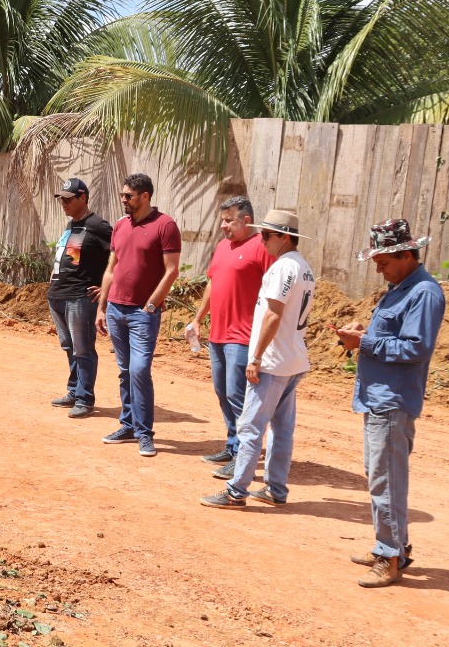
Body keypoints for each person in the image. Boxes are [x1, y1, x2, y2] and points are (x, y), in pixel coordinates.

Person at [333, 219, 447, 588]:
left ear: (406, 254)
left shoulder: (423, 293)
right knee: (380, 476)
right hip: (379, 397)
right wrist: (364, 335)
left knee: (387, 480)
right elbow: (395, 337)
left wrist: (364, 344)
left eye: (383, 261)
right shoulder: (400, 287)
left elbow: (416, 347)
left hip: (393, 400)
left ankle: (390, 556)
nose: (378, 268)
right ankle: (393, 545)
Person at [199, 211, 314, 510]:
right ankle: (275, 488)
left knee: (251, 427)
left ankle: (237, 491)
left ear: (284, 237)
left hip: (273, 360)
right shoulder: (304, 268)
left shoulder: (282, 268)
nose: (261, 240)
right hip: (293, 358)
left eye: (267, 235)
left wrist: (257, 357)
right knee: (282, 429)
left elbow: (273, 315)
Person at [95, 173, 181, 457]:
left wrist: (153, 304)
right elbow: (111, 268)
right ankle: (128, 425)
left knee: (139, 370)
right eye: (122, 195)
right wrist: (102, 306)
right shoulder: (120, 225)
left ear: (145, 196)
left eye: (128, 196)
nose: (123, 200)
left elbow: (171, 270)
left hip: (143, 313)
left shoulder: (165, 225)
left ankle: (145, 433)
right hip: (116, 309)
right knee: (124, 370)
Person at [186, 196, 274, 466]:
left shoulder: (262, 247)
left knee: (239, 396)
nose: (223, 226)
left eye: (228, 221)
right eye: (221, 220)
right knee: (223, 392)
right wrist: (199, 319)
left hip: (244, 336)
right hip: (218, 335)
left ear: (246, 220)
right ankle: (234, 445)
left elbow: (274, 291)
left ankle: (245, 453)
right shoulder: (223, 246)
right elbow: (212, 283)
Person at [47, 178, 112, 419]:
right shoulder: (72, 225)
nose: (63, 203)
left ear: (83, 198)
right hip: (59, 295)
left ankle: (85, 399)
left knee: (83, 349)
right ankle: (74, 392)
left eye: (68, 198)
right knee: (69, 347)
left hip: (80, 297)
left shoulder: (99, 226)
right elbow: (71, 260)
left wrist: (107, 288)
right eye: (61, 199)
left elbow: (121, 256)